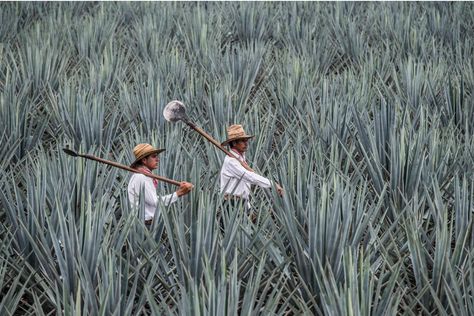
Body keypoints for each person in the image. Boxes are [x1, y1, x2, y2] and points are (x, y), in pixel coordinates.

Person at [219, 124, 283, 214]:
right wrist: (272, 184)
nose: (246, 143)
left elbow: (244, 187)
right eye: (243, 141)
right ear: (234, 143)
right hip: (231, 205)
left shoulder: (241, 158)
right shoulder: (231, 161)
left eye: (246, 140)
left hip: (241, 203)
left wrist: (248, 208)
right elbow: (249, 177)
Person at [127, 143, 193, 225]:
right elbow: (155, 202)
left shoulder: (144, 176)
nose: (157, 159)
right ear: (144, 160)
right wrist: (179, 193)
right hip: (144, 225)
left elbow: (152, 200)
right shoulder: (141, 177)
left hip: (148, 224)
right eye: (154, 156)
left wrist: (179, 193)